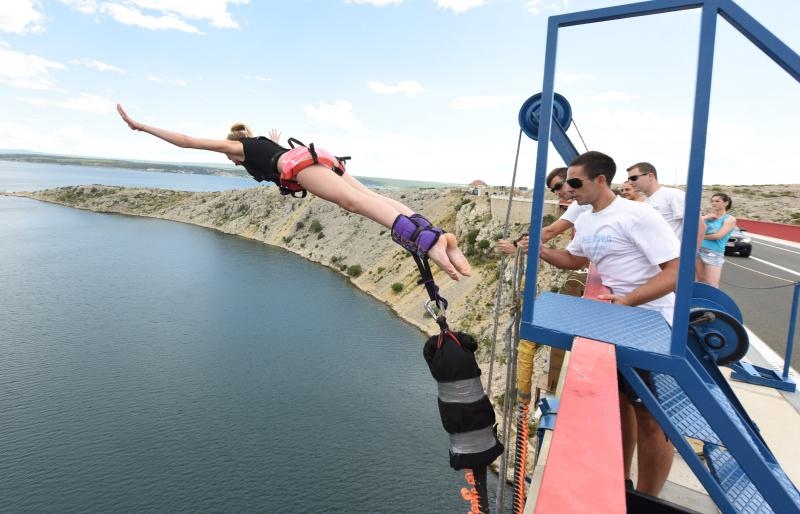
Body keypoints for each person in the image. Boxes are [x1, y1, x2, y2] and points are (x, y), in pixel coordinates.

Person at [116, 104, 470, 281]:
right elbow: (270, 146)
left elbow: (188, 142)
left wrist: (141, 126)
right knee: (372, 196)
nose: (233, 161)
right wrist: (271, 138)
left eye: (230, 156)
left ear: (232, 146)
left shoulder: (238, 147)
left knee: (356, 203)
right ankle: (435, 234)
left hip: (302, 166)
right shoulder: (260, 141)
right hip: (318, 156)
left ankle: (428, 243)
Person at [540, 151, 680, 496]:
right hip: (621, 320)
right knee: (624, 403)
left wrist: (629, 300)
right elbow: (575, 260)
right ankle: (624, 482)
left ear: (600, 180)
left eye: (575, 182)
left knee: (651, 416)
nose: (569, 189)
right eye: (566, 183)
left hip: (654, 321)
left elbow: (676, 272)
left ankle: (648, 497)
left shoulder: (637, 216)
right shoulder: (586, 218)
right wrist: (538, 250)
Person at [626, 162, 685, 239]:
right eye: (629, 179)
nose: (630, 182)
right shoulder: (645, 202)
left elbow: (698, 226)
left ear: (650, 176)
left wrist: (688, 251)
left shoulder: (672, 194)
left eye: (634, 178)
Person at [696, 193, 736, 287]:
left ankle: (711, 302)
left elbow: (718, 236)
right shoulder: (709, 217)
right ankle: (700, 302)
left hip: (714, 253)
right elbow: (693, 224)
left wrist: (701, 236)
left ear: (726, 203)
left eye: (717, 201)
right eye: (712, 201)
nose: (714, 203)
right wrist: (705, 217)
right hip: (699, 251)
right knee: (701, 282)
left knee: (712, 285)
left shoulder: (729, 219)